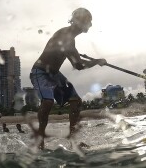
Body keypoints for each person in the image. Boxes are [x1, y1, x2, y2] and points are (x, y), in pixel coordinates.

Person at [29, 8, 106, 149]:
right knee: (47, 102)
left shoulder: (71, 40)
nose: (90, 24)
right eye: (88, 21)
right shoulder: (65, 35)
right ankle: (39, 141)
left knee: (75, 101)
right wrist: (97, 61)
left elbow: (77, 63)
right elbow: (78, 65)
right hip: (40, 72)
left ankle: (73, 141)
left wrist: (92, 60)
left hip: (54, 74)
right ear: (79, 21)